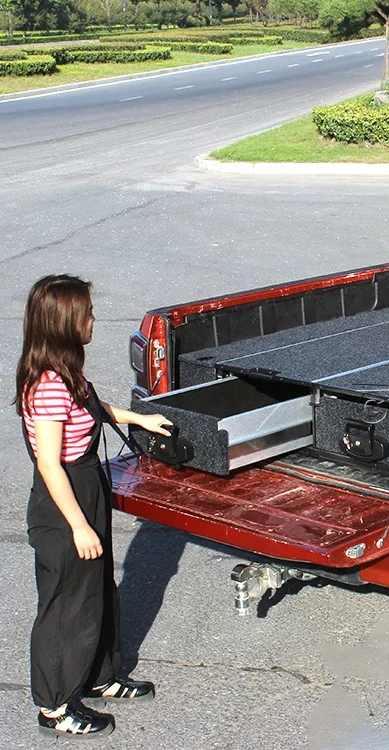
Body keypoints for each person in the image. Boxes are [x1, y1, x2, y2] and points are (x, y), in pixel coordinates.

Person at [15, 275, 172, 739]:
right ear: (65, 324)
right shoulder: (45, 385)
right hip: (64, 501)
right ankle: (55, 706)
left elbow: (93, 406)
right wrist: (80, 525)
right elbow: (48, 463)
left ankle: (102, 677)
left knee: (99, 591)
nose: (93, 320)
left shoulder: (67, 373)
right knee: (67, 605)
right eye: (86, 313)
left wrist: (138, 417)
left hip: (86, 486)